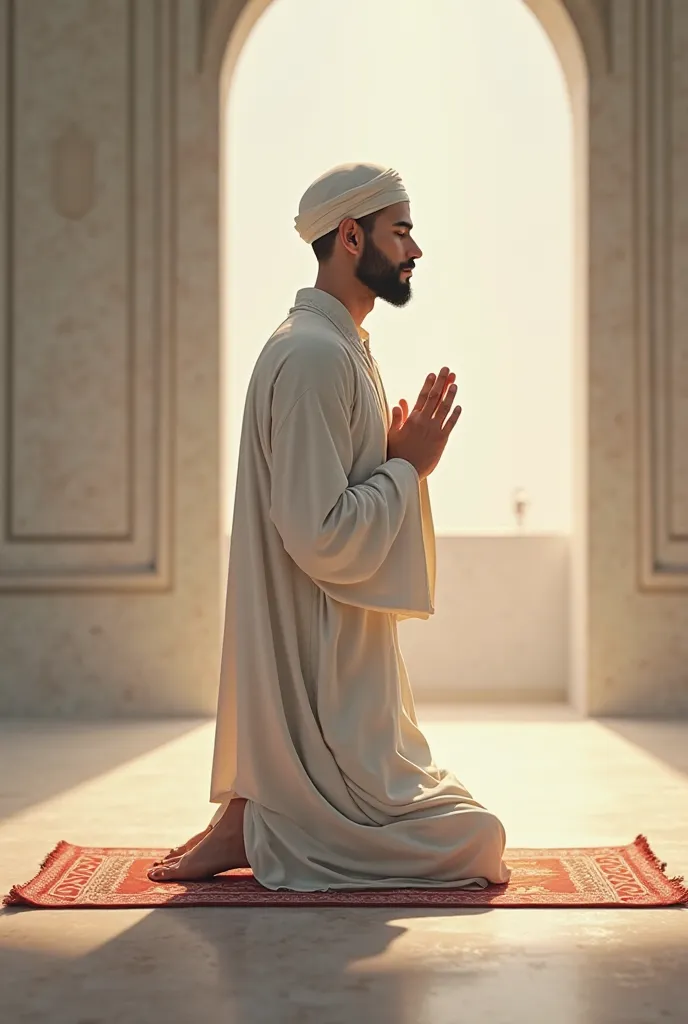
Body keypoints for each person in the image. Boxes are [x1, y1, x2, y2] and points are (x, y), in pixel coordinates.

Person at [147, 163, 510, 891]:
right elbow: (317, 534)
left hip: (343, 680)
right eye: (400, 231)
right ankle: (267, 821)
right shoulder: (313, 354)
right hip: (325, 692)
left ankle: (255, 811)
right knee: (478, 842)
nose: (415, 250)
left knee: (473, 829)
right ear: (351, 236)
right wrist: (408, 469)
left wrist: (400, 464)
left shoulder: (338, 346)